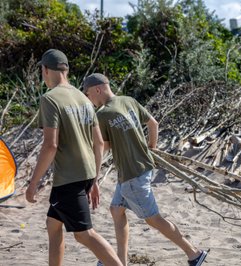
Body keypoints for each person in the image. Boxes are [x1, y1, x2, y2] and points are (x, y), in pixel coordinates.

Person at [83, 73, 209, 266]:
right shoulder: (128, 101)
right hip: (142, 167)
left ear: (97, 89)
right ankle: (121, 261)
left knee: (153, 219)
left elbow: (103, 146)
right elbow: (153, 124)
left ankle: (194, 253)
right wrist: (151, 147)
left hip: (132, 174)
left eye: (88, 93)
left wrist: (90, 165)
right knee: (117, 210)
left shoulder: (103, 114)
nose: (88, 98)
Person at [25, 49, 122, 266]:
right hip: (86, 174)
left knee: (84, 234)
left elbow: (51, 145)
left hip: (69, 178)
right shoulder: (83, 98)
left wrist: (33, 183)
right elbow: (98, 143)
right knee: (53, 224)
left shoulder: (49, 99)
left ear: (45, 70)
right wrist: (94, 179)